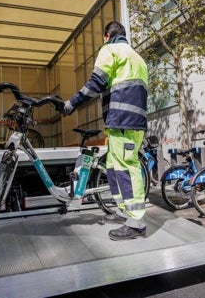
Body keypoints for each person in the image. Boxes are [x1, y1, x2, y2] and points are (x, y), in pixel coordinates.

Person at [63, 21, 148, 240]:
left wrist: (71, 103)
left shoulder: (110, 50)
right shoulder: (136, 56)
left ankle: (136, 222)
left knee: (126, 167)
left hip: (123, 121)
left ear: (106, 36)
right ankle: (123, 212)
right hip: (127, 122)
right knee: (113, 165)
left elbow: (96, 83)